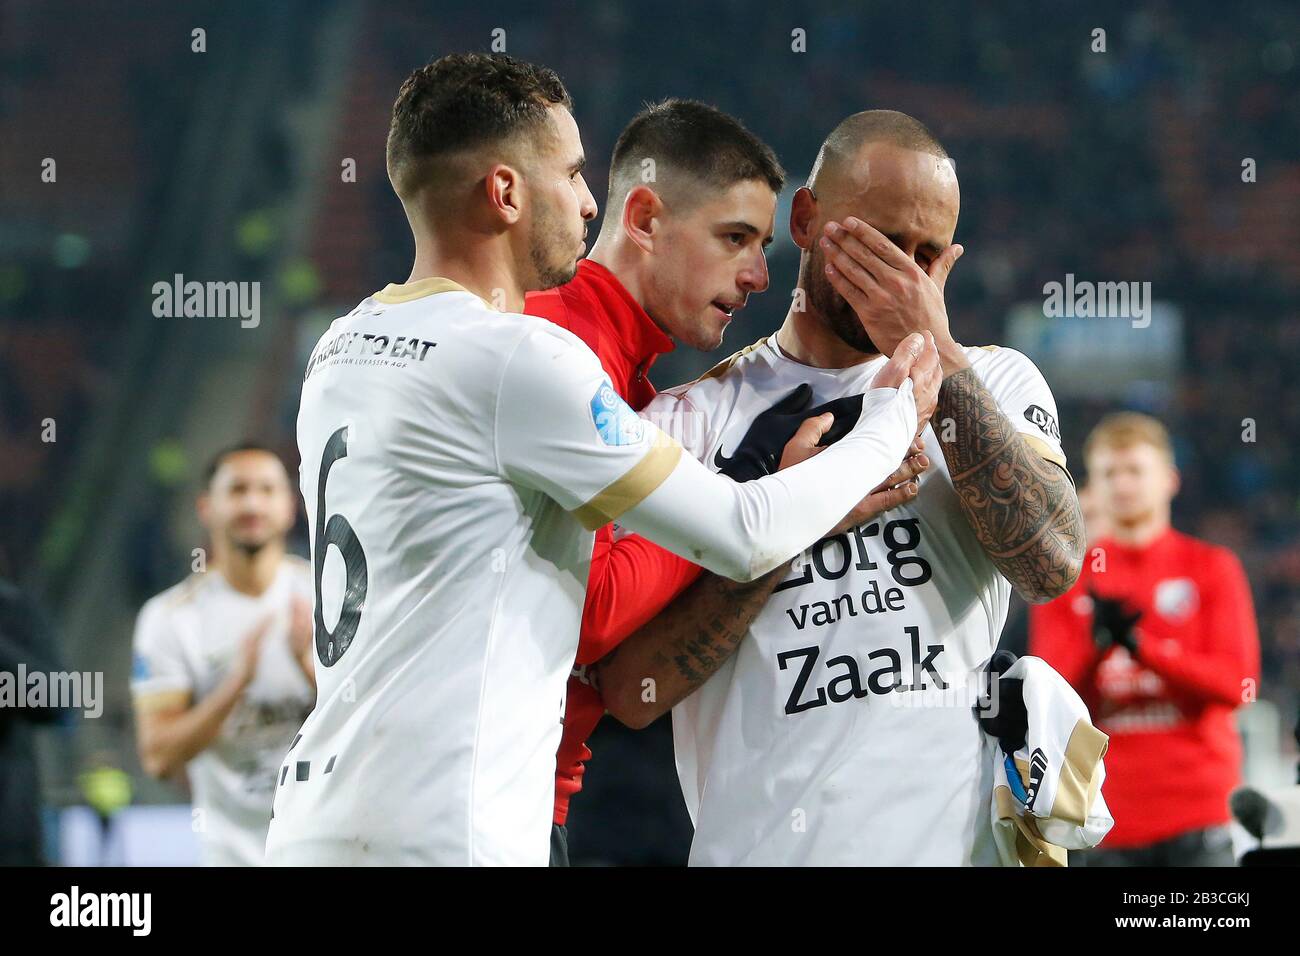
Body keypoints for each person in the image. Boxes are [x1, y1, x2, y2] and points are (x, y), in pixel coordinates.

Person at [267, 54, 938, 866]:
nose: (590, 203)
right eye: (576, 174)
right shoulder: (531, 356)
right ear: (507, 193)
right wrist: (884, 427)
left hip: (317, 815)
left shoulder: (342, 343)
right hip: (457, 819)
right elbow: (705, 550)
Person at [595, 109, 1086, 865]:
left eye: (926, 257)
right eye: (882, 244)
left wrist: (941, 360)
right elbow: (633, 693)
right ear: (804, 218)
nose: (902, 275)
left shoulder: (991, 380)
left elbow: (1050, 564)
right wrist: (793, 522)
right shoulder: (685, 422)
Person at [524, 98, 927, 864]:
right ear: (644, 218)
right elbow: (595, 613)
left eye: (765, 244)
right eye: (735, 238)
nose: (758, 275)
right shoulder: (560, 350)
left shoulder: (622, 373)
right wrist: (751, 493)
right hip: (493, 794)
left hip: (528, 787)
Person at [1030, 412, 1260, 865]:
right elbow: (1050, 703)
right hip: (1103, 819)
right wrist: (1097, 649)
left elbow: (1237, 685)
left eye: (1135, 470)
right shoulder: (1066, 579)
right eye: (1109, 473)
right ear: (1092, 486)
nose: (1122, 484)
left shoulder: (1212, 568)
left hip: (1198, 814)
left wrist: (1141, 649)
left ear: (1169, 480)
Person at [131, 443, 315, 866]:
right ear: (206, 508)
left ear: (290, 507)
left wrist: (307, 665)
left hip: (328, 844)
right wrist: (234, 686)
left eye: (267, 490)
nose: (252, 503)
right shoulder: (170, 619)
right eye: (236, 490)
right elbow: (158, 756)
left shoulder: (326, 597)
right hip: (233, 854)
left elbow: (369, 719)